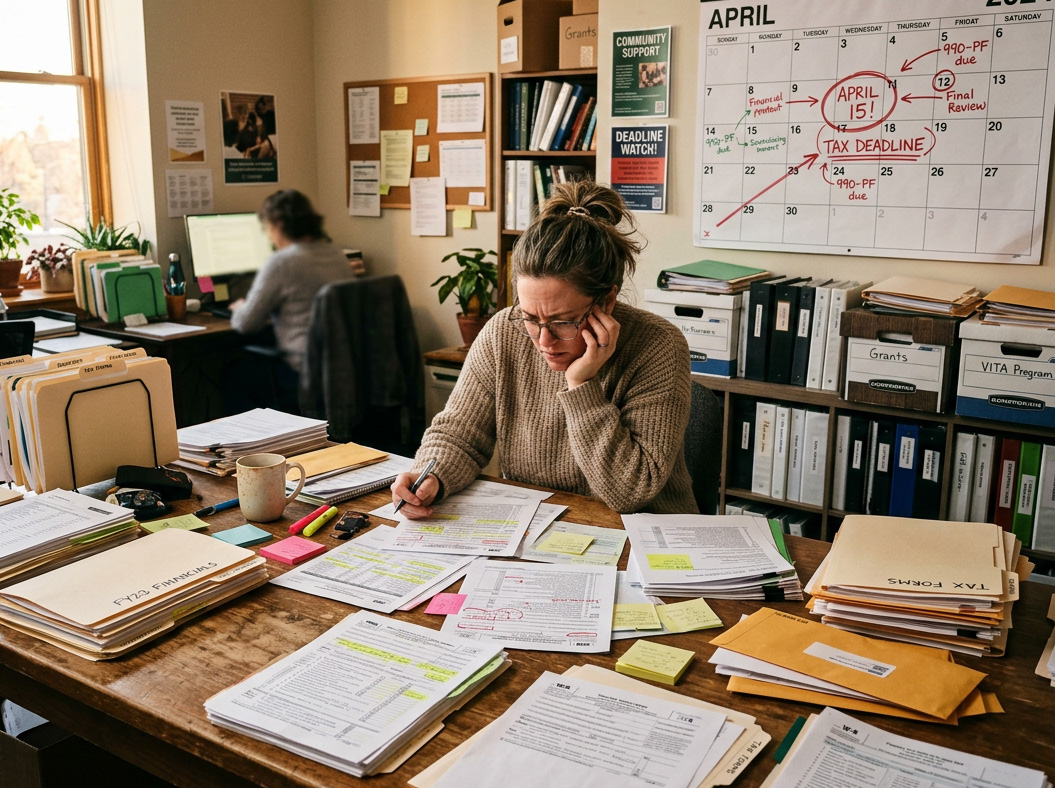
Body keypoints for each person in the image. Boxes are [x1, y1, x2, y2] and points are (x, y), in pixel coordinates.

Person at [392, 180, 697, 516]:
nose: (543, 340)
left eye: (563, 321)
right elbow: (458, 435)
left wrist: (581, 384)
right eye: (529, 316)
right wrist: (431, 474)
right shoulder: (504, 334)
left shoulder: (658, 346)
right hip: (540, 529)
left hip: (643, 539)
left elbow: (631, 492)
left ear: (607, 302)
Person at [229, 190, 353, 376]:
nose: (269, 236)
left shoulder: (281, 262)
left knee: (231, 375)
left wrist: (240, 307)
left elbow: (247, 323)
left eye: (268, 228)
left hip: (303, 368)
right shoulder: (336, 254)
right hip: (343, 365)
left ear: (278, 226)